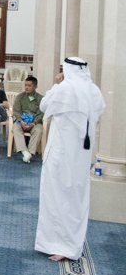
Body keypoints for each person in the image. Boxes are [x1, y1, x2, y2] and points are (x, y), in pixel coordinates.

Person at [35, 57, 105, 262]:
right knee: (76, 196)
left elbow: (43, 105)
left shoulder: (64, 88)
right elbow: (99, 112)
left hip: (61, 152)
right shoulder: (94, 91)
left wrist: (57, 84)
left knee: (56, 196)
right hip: (82, 155)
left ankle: (59, 245)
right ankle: (71, 245)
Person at [12, 76, 45, 163]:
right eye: (25, 85)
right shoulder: (20, 97)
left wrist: (33, 123)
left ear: (35, 86)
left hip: (34, 122)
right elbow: (16, 111)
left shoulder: (41, 99)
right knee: (15, 128)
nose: (26, 87)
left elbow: (41, 113)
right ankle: (24, 151)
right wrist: (21, 121)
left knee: (39, 130)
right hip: (21, 121)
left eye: (29, 85)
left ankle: (30, 152)